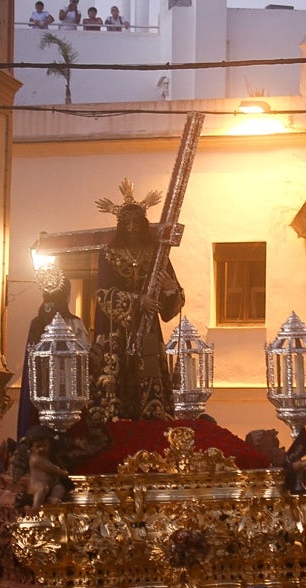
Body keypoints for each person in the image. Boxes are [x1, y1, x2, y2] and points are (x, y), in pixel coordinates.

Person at [90, 180, 184, 423]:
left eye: (136, 223)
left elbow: (173, 293)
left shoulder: (156, 255)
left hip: (147, 331)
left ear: (143, 225)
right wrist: (137, 301)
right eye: (127, 223)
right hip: (116, 332)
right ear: (120, 225)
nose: (131, 228)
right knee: (115, 381)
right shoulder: (109, 254)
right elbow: (102, 294)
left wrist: (170, 290)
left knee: (149, 381)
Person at [17, 263, 90, 439]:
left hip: (39, 399)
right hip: (67, 399)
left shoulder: (36, 323)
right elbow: (84, 361)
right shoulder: (74, 323)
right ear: (66, 296)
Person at [26, 426, 69, 509]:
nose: (42, 449)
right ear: (31, 448)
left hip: (51, 484)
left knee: (59, 487)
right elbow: (50, 468)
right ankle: (35, 508)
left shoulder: (47, 456)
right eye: (38, 446)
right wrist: (62, 472)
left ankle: (52, 498)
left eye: (45, 445)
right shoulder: (36, 459)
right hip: (36, 484)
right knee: (42, 488)